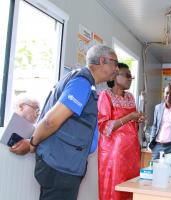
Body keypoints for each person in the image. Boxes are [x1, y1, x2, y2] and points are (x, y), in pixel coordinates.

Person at [27, 44, 118, 200]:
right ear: (102, 60)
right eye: (115, 63)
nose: (116, 69)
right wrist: (33, 143)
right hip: (60, 167)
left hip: (66, 165)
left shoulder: (87, 84)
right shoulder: (82, 82)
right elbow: (51, 121)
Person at [97, 63, 144, 200]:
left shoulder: (130, 97)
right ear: (115, 76)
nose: (130, 79)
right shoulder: (105, 95)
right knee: (115, 187)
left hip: (132, 150)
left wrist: (137, 120)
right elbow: (104, 126)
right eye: (127, 75)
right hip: (114, 152)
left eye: (131, 76)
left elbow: (132, 126)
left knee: (131, 186)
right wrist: (130, 117)